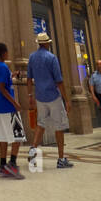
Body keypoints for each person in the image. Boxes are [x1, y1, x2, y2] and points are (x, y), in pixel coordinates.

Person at [26, 32, 73, 169]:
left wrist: (30, 96)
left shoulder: (32, 57)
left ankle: (33, 149)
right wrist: (66, 99)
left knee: (41, 124)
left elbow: (29, 79)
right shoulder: (52, 58)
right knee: (59, 127)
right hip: (53, 97)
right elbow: (59, 81)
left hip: (40, 97)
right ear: (46, 43)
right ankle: (61, 159)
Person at [0, 42, 24, 178]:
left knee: (3, 137)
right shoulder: (4, 67)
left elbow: (2, 80)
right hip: (8, 107)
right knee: (18, 136)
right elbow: (2, 88)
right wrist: (15, 102)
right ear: (4, 53)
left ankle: (2, 165)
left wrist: (13, 75)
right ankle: (12, 164)